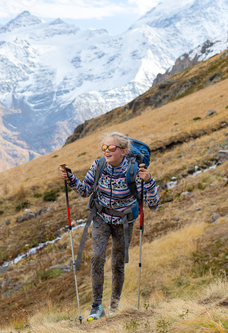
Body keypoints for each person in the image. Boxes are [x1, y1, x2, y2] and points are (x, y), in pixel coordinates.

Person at [59, 132, 159, 320]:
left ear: (123, 151)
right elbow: (85, 191)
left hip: (124, 222)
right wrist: (71, 179)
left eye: (111, 148)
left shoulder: (135, 170)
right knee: (97, 257)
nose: (106, 151)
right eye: (104, 147)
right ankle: (97, 307)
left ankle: (114, 306)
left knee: (117, 264)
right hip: (100, 218)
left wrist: (149, 182)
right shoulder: (98, 166)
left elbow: (153, 204)